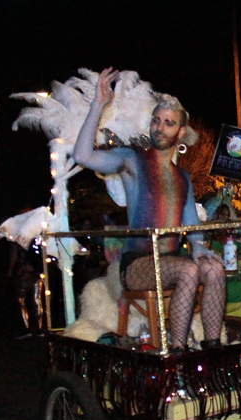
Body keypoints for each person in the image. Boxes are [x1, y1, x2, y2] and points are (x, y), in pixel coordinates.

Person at [73, 67, 226, 351]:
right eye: (156, 120)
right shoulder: (132, 160)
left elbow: (191, 227)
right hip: (137, 265)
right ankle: (177, 353)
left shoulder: (183, 178)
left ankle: (213, 348)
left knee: (215, 268)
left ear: (180, 131)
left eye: (168, 122)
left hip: (171, 260)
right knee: (189, 272)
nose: (159, 127)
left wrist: (199, 247)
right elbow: (82, 155)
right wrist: (98, 105)